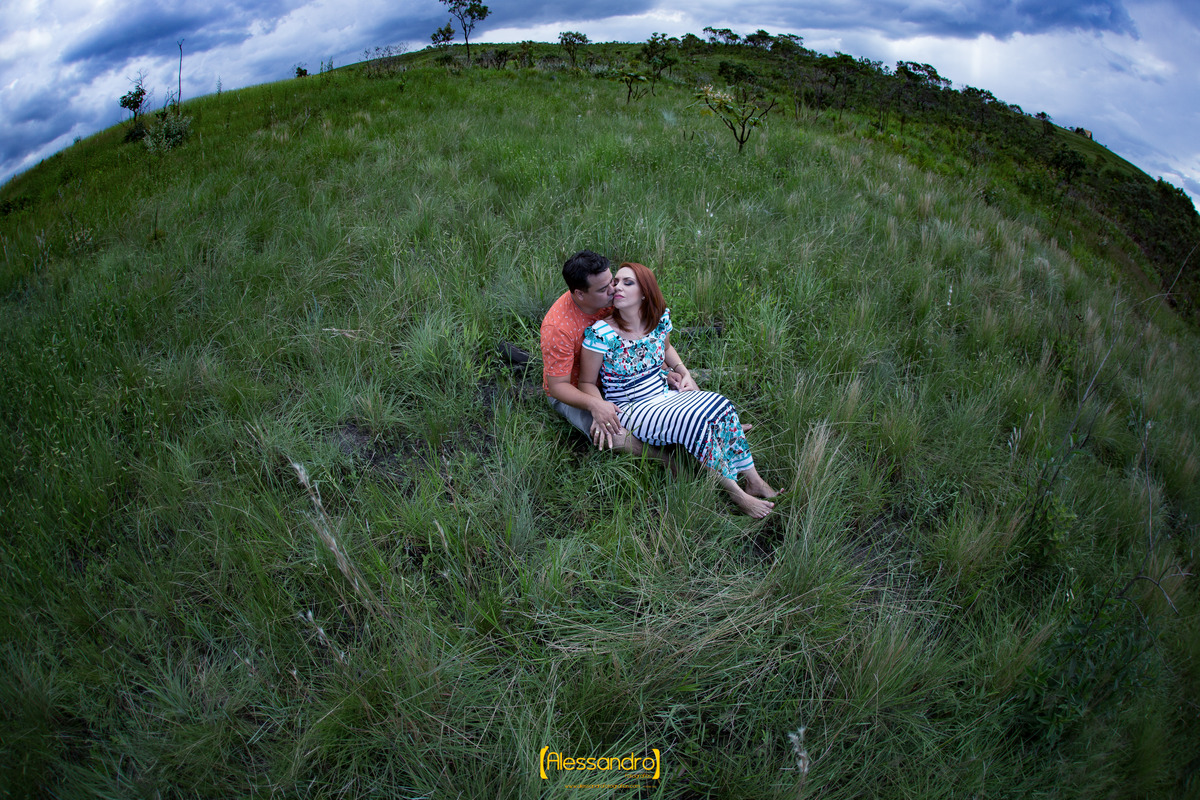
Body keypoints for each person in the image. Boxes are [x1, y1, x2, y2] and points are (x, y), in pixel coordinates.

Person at [578, 262, 779, 517]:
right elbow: (586, 382)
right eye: (616, 282)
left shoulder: (658, 319)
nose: (617, 287)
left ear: (644, 293)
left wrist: (684, 372)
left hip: (664, 394)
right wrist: (600, 407)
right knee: (693, 421)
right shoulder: (601, 334)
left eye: (628, 282)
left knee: (721, 403)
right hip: (630, 407)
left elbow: (666, 348)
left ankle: (754, 480)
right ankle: (737, 494)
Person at [540, 250, 645, 453]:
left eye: (611, 281)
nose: (613, 290)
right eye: (603, 289)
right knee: (610, 432)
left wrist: (668, 368)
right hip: (576, 389)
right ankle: (668, 461)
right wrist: (595, 404)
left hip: (617, 373)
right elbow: (557, 386)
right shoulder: (558, 328)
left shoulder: (609, 298)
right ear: (580, 294)